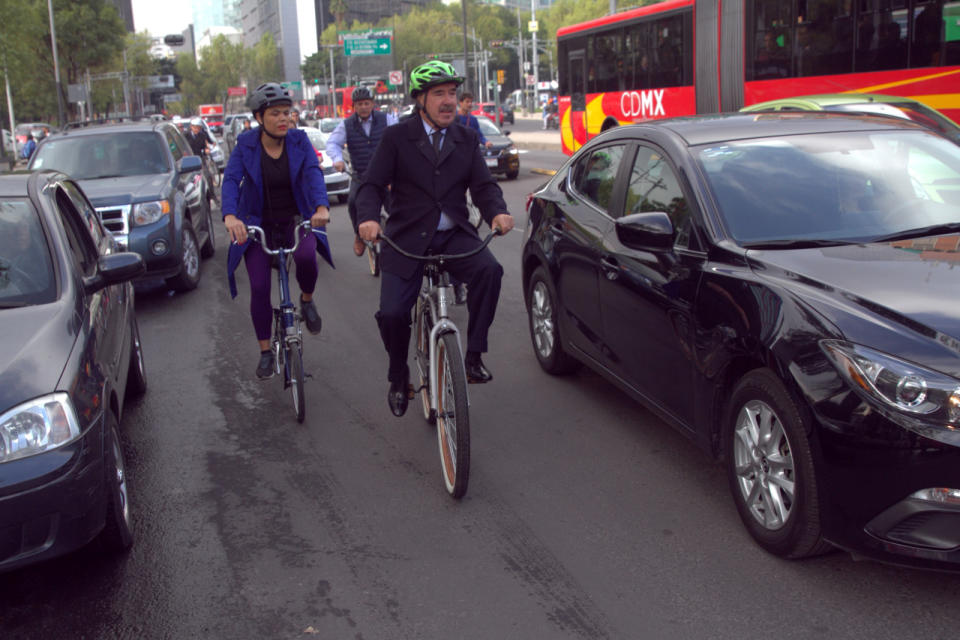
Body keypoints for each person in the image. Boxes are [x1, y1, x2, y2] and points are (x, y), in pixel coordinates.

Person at [355, 60, 515, 417]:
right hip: (406, 239)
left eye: (453, 94)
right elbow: (371, 185)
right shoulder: (397, 137)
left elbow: (484, 187)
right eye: (439, 94)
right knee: (394, 314)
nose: (449, 102)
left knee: (490, 271)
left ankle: (473, 356)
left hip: (453, 235)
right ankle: (398, 375)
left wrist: (497, 213)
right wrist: (366, 219)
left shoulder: (467, 137)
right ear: (421, 99)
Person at [221, 82, 333, 379]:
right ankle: (265, 352)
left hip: (295, 218)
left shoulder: (298, 141)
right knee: (259, 287)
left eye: (287, 112)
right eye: (275, 113)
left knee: (308, 258)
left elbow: (312, 173)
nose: (284, 118)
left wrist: (321, 208)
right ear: (259, 117)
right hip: (256, 226)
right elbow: (231, 179)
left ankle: (306, 301)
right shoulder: (246, 144)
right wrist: (231, 216)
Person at [325, 85, 392, 258]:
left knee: (399, 205)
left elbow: (401, 138)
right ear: (354, 106)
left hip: (387, 175)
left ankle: (401, 238)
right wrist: (338, 159)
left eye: (366, 103)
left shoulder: (387, 119)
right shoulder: (346, 125)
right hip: (361, 175)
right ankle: (359, 234)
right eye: (359, 104)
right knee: (353, 203)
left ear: (373, 104)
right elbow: (332, 143)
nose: (363, 107)